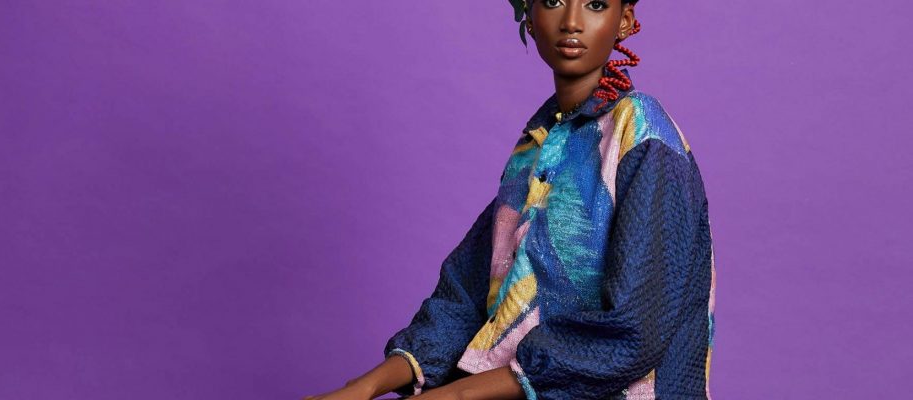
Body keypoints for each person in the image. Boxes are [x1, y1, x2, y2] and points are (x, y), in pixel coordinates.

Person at [304, 0, 716, 399]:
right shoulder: (538, 147)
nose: (572, 21)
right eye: (553, 1)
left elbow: (637, 329)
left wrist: (454, 396)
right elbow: (464, 299)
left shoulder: (644, 135)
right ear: (530, 19)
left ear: (624, 20)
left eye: (595, 4)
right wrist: (360, 388)